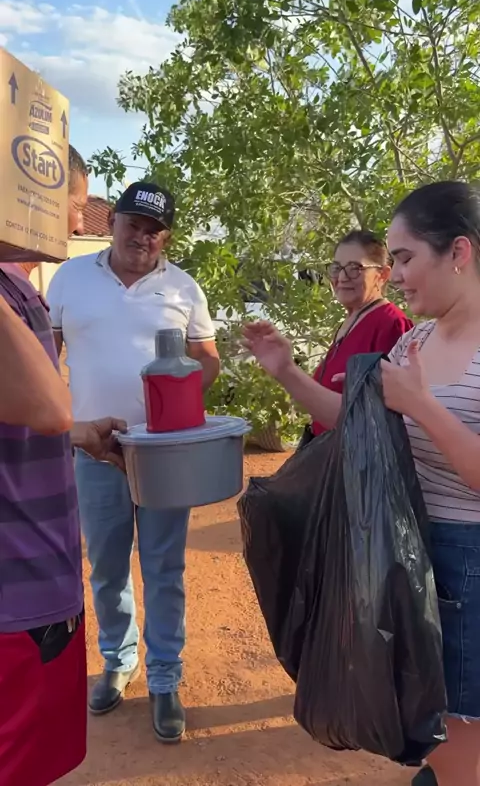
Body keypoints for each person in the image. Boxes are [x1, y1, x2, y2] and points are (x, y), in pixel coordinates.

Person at [244, 180, 480, 786]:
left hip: (469, 564)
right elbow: (354, 417)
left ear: (458, 251)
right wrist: (285, 371)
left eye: (404, 258)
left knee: (459, 735)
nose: (394, 276)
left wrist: (421, 404)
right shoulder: (417, 340)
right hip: (413, 554)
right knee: (430, 720)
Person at [47, 180, 220, 742]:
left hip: (163, 458)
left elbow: (207, 360)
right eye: (133, 225)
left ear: (165, 237)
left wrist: (175, 406)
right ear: (113, 222)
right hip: (94, 452)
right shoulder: (70, 278)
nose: (142, 237)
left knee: (165, 568)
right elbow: (46, 354)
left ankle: (165, 677)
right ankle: (118, 662)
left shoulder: (184, 287)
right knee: (107, 568)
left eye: (154, 230)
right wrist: (62, 421)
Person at [0, 144, 126, 786]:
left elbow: (34, 415)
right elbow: (50, 406)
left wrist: (77, 435)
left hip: (39, 578)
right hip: (14, 591)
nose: (79, 222)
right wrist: (65, 423)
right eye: (73, 205)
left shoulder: (17, 287)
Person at [305, 229, 412, 440]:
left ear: (383, 275)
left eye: (355, 268)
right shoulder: (351, 320)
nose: (342, 277)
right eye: (337, 268)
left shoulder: (391, 324)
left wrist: (286, 370)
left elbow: (389, 412)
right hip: (326, 449)